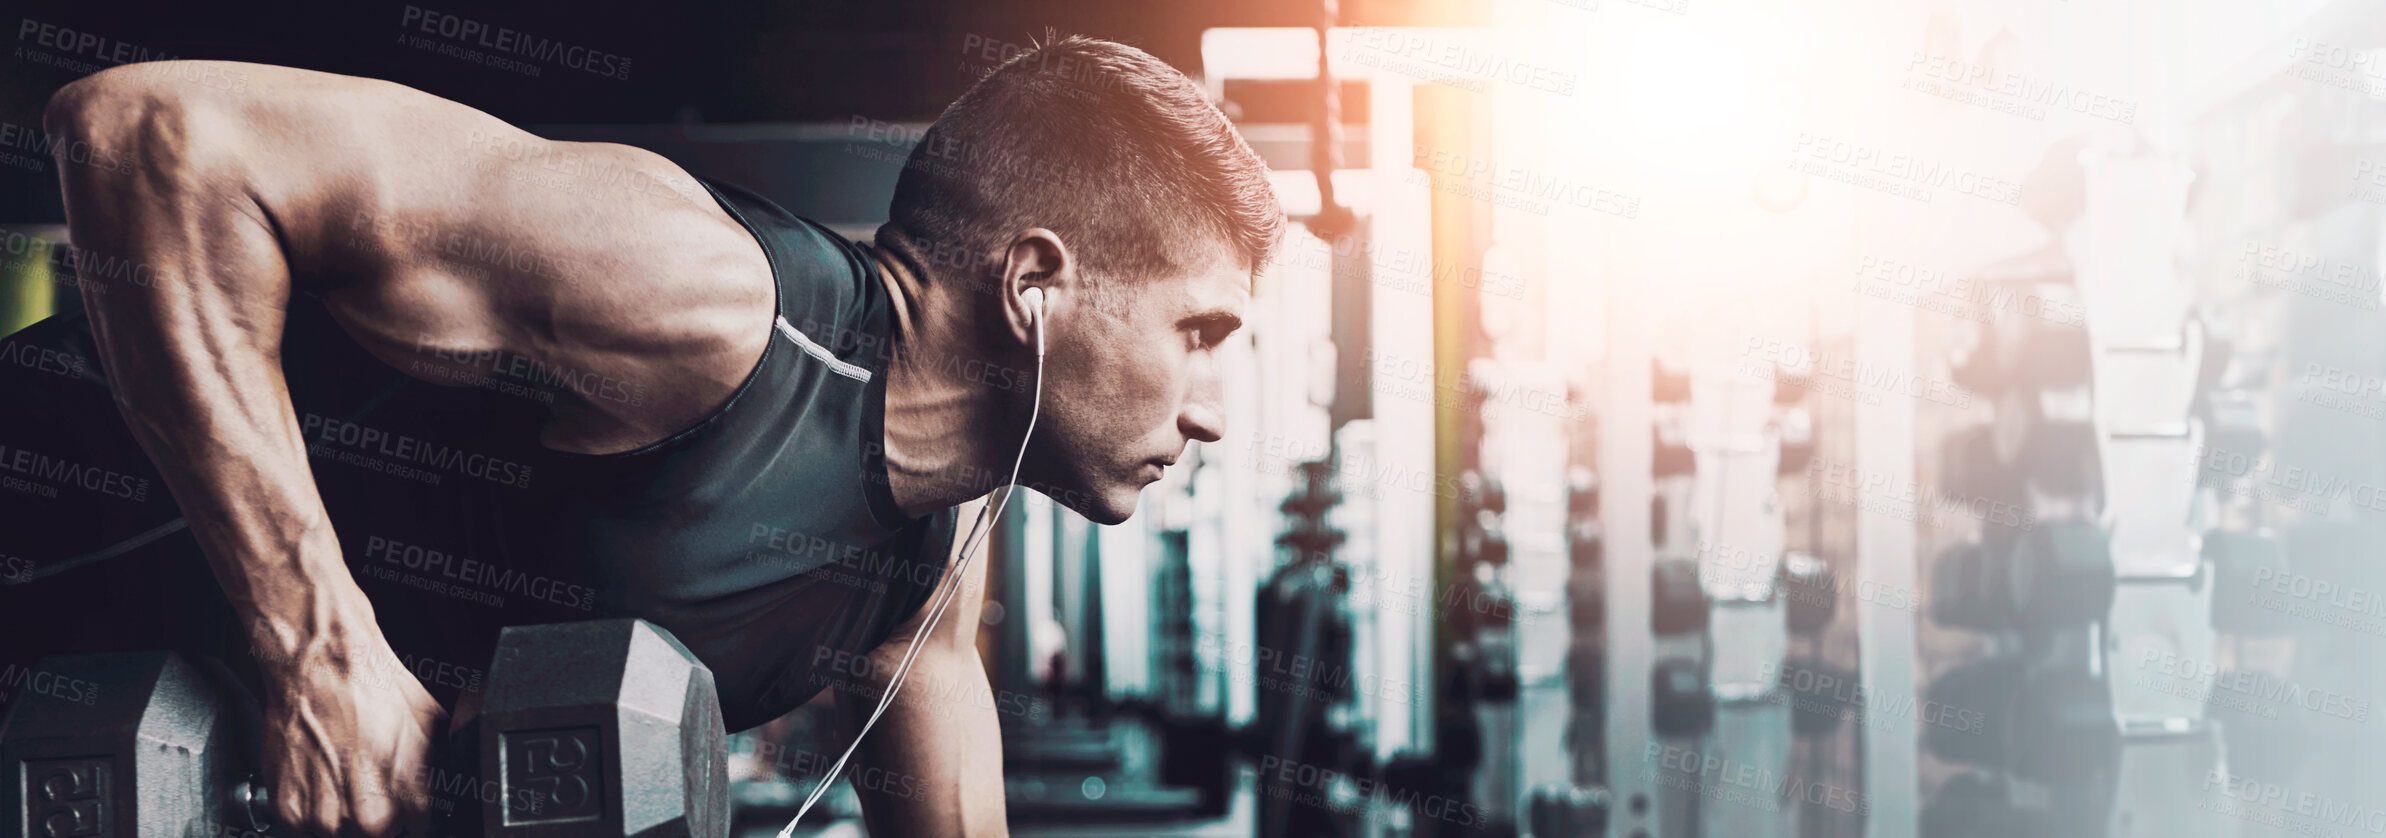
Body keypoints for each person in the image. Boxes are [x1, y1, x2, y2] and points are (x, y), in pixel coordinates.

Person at [0, 34, 1281, 837]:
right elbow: (143, 133)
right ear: (1034, 286)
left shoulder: (931, 554)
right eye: (1200, 333)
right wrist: (318, 650)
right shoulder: (697, 300)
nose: (1212, 409)